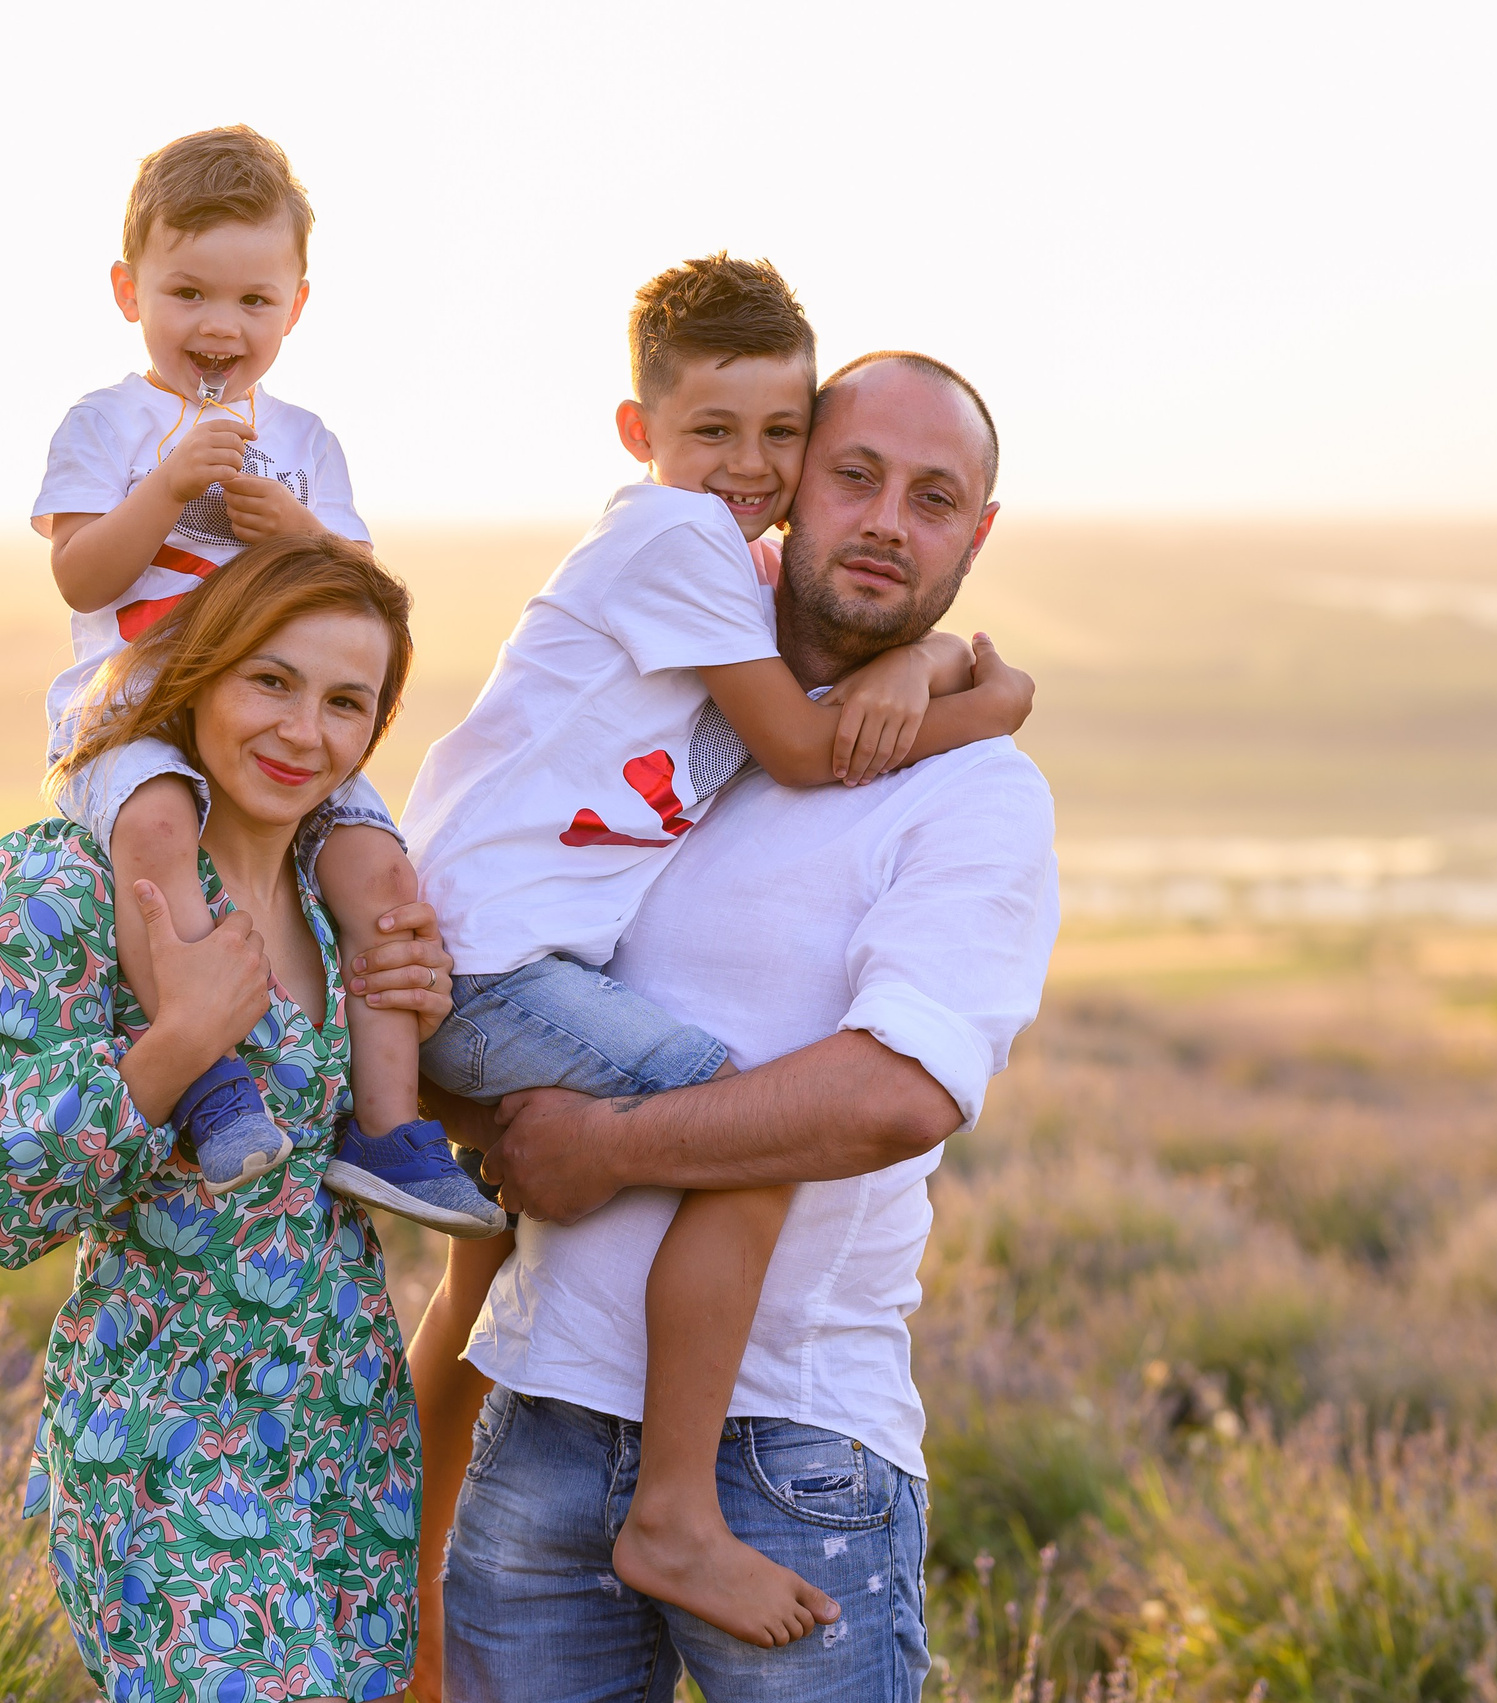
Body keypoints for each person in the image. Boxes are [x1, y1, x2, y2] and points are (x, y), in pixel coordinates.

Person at [399, 257, 1036, 1650]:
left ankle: (677, 1506)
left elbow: (894, 1096)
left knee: (760, 1134)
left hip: (794, 1453)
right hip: (545, 1415)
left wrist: (933, 681)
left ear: (978, 536)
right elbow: (487, 1221)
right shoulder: (693, 640)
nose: (877, 519)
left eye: (930, 499)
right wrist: (974, 690)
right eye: (851, 472)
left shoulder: (975, 796)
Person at [0, 534, 461, 1703]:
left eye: (346, 702)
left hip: (343, 1445)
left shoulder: (352, 913)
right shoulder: (63, 881)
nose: (302, 731)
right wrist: (176, 1044)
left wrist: (432, 1021)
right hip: (164, 1454)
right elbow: (2, 1194)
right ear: (201, 678)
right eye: (269, 681)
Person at [30, 123, 495, 1234]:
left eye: (251, 302)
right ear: (126, 289)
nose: (217, 327)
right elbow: (78, 573)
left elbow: (360, 605)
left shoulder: (305, 442)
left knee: (382, 869)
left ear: (294, 306)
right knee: (151, 834)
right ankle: (207, 1078)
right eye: (187, 293)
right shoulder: (107, 425)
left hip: (273, 723)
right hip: (137, 715)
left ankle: (386, 1126)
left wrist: (295, 529)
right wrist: (163, 489)